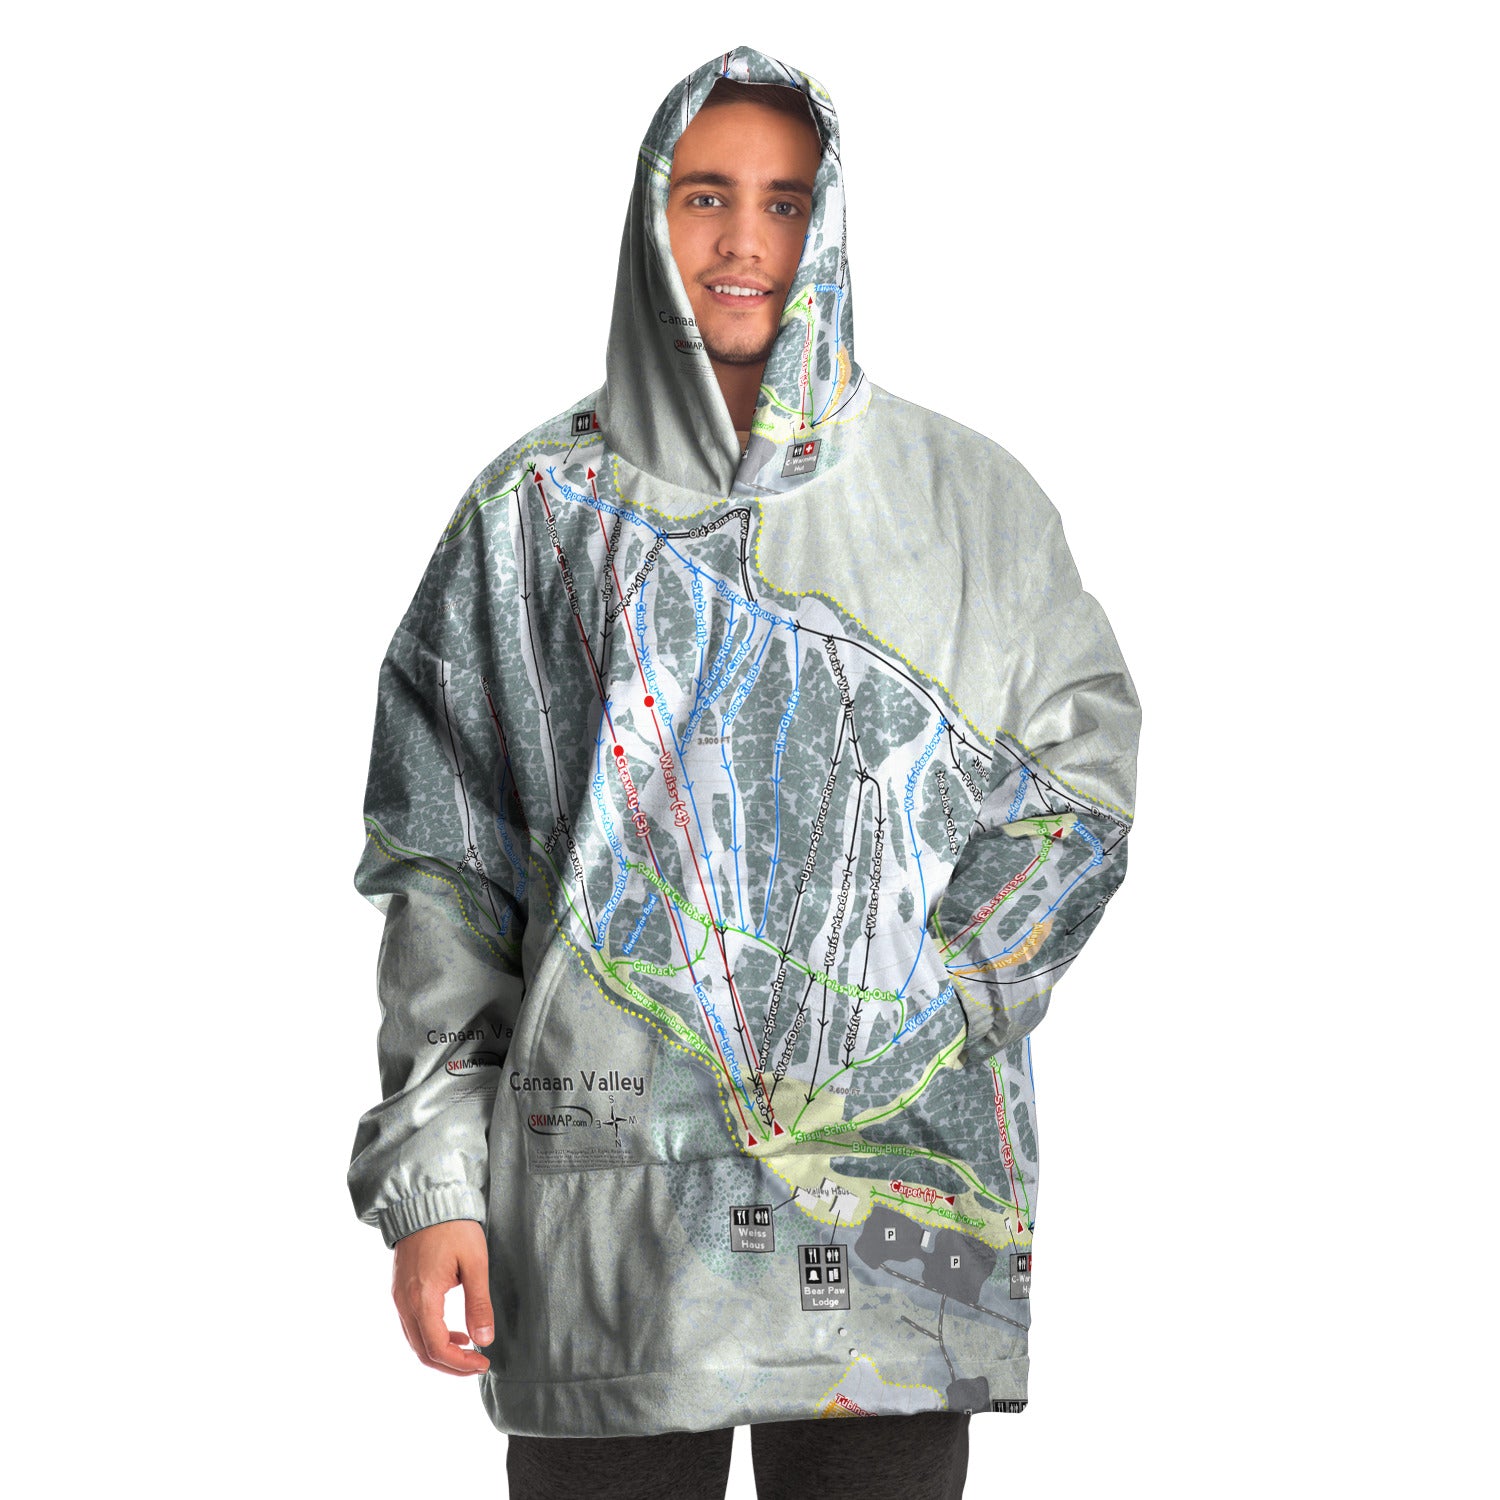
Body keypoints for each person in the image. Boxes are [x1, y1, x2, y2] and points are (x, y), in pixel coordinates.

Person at [347, 44, 1141, 1500]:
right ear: (650, 215)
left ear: (827, 226)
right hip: (598, 1219)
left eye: (784, 203)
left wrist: (932, 1004)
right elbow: (448, 874)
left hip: (890, 1229)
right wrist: (434, 1186)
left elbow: (1078, 793)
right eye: (707, 195)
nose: (743, 241)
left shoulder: (971, 503)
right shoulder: (531, 514)